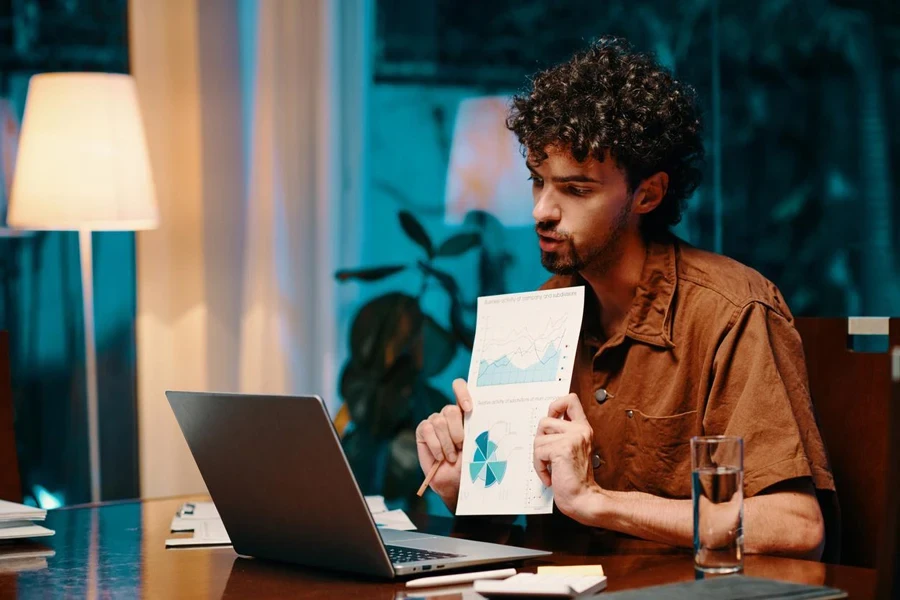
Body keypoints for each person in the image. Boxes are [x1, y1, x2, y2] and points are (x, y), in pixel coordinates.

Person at [415, 36, 834, 560]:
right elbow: (508, 512)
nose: (542, 210)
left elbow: (797, 526)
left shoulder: (732, 311)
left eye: (576, 189)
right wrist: (463, 487)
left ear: (648, 194)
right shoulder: (541, 311)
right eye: (537, 181)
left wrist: (598, 502)